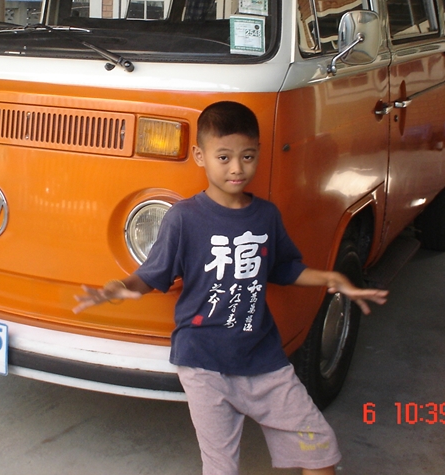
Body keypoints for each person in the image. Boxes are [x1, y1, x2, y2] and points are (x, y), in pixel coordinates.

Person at [74, 101, 388, 475]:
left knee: (319, 447)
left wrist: (331, 278)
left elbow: (284, 268)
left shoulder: (266, 216)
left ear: (258, 153)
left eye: (247, 156)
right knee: (220, 466)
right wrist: (119, 288)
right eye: (223, 157)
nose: (237, 168)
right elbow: (152, 274)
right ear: (200, 156)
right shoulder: (184, 219)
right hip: (203, 362)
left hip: (263, 359)